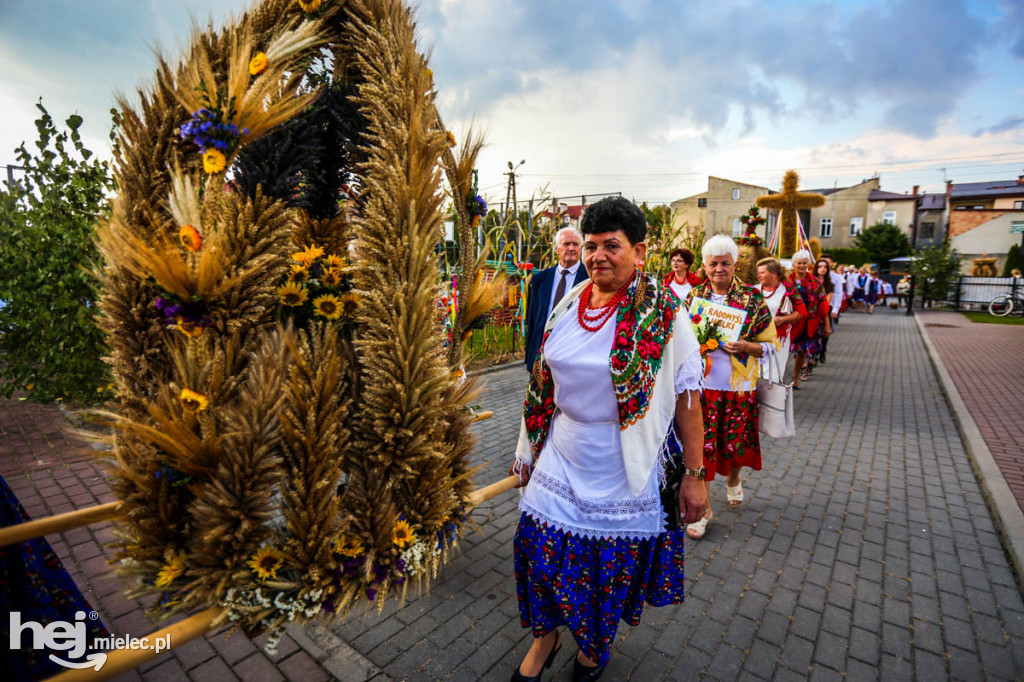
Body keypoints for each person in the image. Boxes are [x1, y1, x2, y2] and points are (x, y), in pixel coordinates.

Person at [508, 196, 707, 682]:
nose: (598, 256)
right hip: (563, 448)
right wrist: (528, 449)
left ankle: (593, 649)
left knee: (606, 570)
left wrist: (695, 477)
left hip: (625, 463)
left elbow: (687, 400)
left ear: (639, 251)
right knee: (536, 550)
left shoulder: (665, 312)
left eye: (611, 246)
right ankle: (545, 638)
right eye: (592, 245)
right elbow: (542, 382)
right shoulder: (571, 302)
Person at [683, 235, 777, 540]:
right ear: (705, 266)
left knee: (735, 446)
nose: (719, 269)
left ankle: (734, 479)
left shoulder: (752, 299)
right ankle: (705, 510)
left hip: (739, 387)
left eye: (725, 263)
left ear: (735, 263)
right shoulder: (694, 297)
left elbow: (771, 346)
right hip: (702, 387)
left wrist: (748, 346)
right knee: (702, 448)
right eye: (713, 263)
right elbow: (680, 340)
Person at [524, 227, 588, 369]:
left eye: (575, 244)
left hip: (574, 354)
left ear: (581, 248)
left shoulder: (590, 280)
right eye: (566, 244)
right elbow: (532, 319)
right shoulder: (540, 279)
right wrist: (530, 355)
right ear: (556, 248)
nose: (571, 248)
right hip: (542, 352)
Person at [754, 257, 806, 380]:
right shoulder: (754, 290)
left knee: (772, 374)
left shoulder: (788, 290)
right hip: (756, 338)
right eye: (758, 273)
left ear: (774, 273)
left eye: (762, 272)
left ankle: (770, 397)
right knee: (755, 372)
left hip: (778, 339)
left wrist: (782, 320)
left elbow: (802, 312)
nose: (759, 275)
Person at [787, 250, 830, 388]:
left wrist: (827, 325)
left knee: (801, 352)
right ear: (793, 264)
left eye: (804, 263)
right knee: (781, 350)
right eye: (799, 263)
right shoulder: (786, 281)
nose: (801, 266)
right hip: (789, 321)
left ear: (809, 265)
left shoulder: (815, 283)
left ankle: (795, 378)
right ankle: (778, 377)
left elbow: (823, 305)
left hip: (807, 323)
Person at [813, 258, 840, 365]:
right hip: (812, 311)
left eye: (825, 267)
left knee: (824, 333)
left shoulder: (829, 284)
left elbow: (827, 300)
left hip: (824, 311)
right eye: (820, 267)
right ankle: (813, 355)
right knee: (813, 334)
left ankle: (822, 350)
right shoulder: (811, 281)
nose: (822, 269)